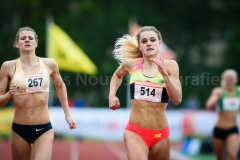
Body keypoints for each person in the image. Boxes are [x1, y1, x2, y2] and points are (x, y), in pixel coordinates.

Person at [0, 27, 77, 160]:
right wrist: (9, 94)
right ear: (16, 44)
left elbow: (60, 87)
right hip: (19, 130)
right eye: (23, 38)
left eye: (31, 38)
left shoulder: (49, 64)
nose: (27, 40)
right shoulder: (8, 66)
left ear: (36, 43)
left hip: (44, 129)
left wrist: (68, 115)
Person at [109, 26, 182, 160]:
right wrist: (112, 95)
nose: (149, 43)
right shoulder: (131, 64)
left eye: (152, 40)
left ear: (159, 42)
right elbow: (117, 75)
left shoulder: (171, 66)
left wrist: (165, 76)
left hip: (161, 134)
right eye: (144, 41)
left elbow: (177, 99)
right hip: (135, 131)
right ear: (140, 46)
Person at [206, 69, 240, 160]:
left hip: (233, 130)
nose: (230, 81)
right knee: (220, 158)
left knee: (232, 155)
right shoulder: (219, 91)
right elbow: (208, 106)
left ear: (236, 80)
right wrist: (216, 98)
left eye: (232, 79)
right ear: (223, 80)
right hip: (219, 129)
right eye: (227, 79)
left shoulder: (239, 91)